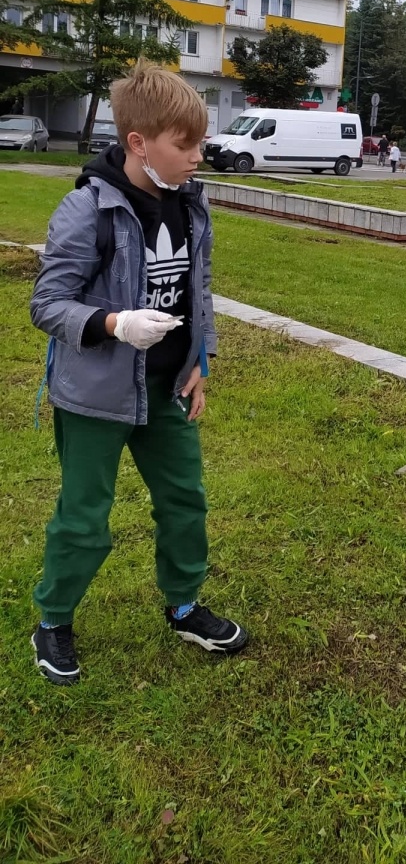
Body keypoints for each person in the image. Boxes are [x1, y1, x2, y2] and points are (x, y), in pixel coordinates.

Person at [29, 64, 248, 686]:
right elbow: (47, 304)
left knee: (185, 501)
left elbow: (198, 289)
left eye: (201, 143)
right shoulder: (86, 209)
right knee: (84, 515)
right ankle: (53, 619)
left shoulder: (191, 204)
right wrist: (114, 323)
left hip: (166, 388)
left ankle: (183, 605)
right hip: (95, 396)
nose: (198, 157)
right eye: (186, 145)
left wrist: (200, 360)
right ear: (138, 143)